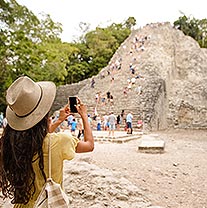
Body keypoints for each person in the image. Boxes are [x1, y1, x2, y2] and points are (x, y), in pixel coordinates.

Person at [0, 76, 94, 207]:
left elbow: (36, 137)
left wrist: (59, 121)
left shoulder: (9, 144)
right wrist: (84, 115)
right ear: (45, 116)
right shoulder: (61, 141)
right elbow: (89, 145)